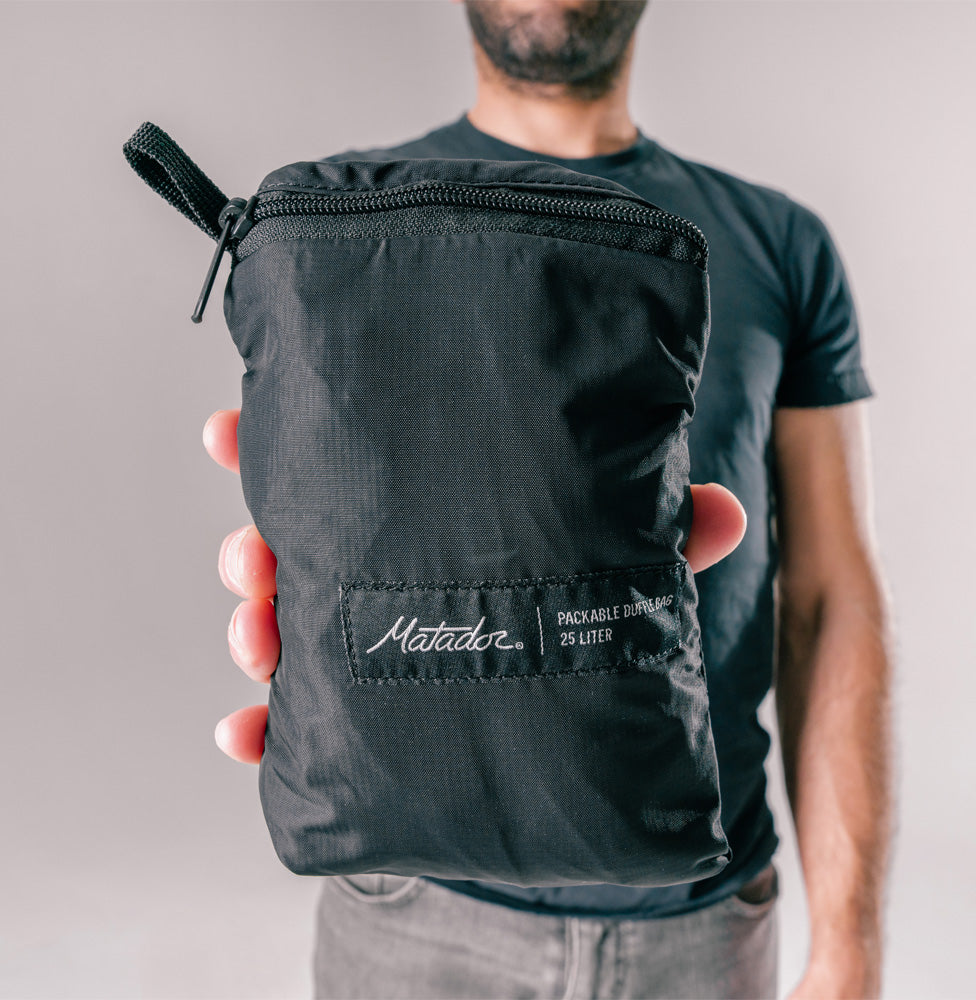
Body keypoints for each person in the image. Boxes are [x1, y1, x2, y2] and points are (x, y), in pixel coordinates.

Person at [203, 2, 895, 997]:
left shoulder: (777, 242)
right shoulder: (336, 232)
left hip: (703, 918)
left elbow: (831, 600)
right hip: (408, 912)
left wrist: (850, 944)